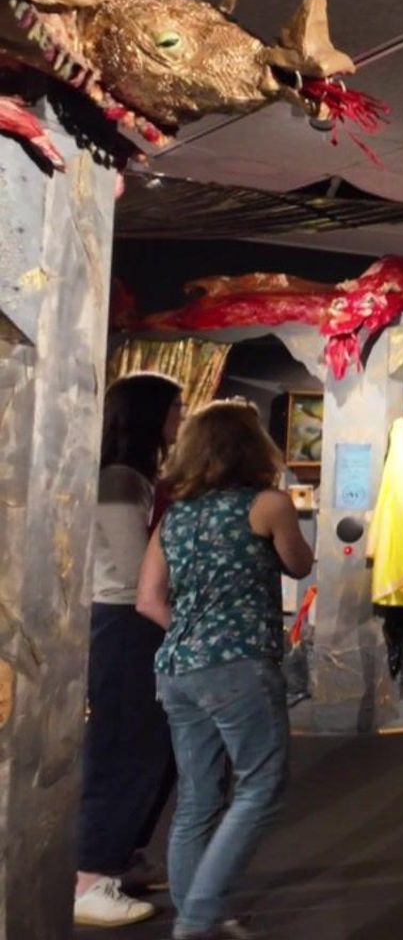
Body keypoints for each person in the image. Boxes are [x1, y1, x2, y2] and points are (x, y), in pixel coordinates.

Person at [136, 400, 315, 940]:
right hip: (238, 668)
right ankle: (198, 919)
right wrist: (221, 641)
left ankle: (197, 916)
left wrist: (193, 638)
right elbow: (301, 564)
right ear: (253, 448)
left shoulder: (177, 515)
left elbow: (147, 600)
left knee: (197, 798)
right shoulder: (268, 504)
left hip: (176, 670)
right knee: (262, 786)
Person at [75, 373, 185, 929]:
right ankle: (91, 876)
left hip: (130, 617)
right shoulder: (120, 481)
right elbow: (132, 568)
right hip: (125, 620)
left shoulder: (134, 477)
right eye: (174, 408)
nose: (180, 419)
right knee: (126, 745)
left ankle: (117, 856)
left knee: (153, 744)